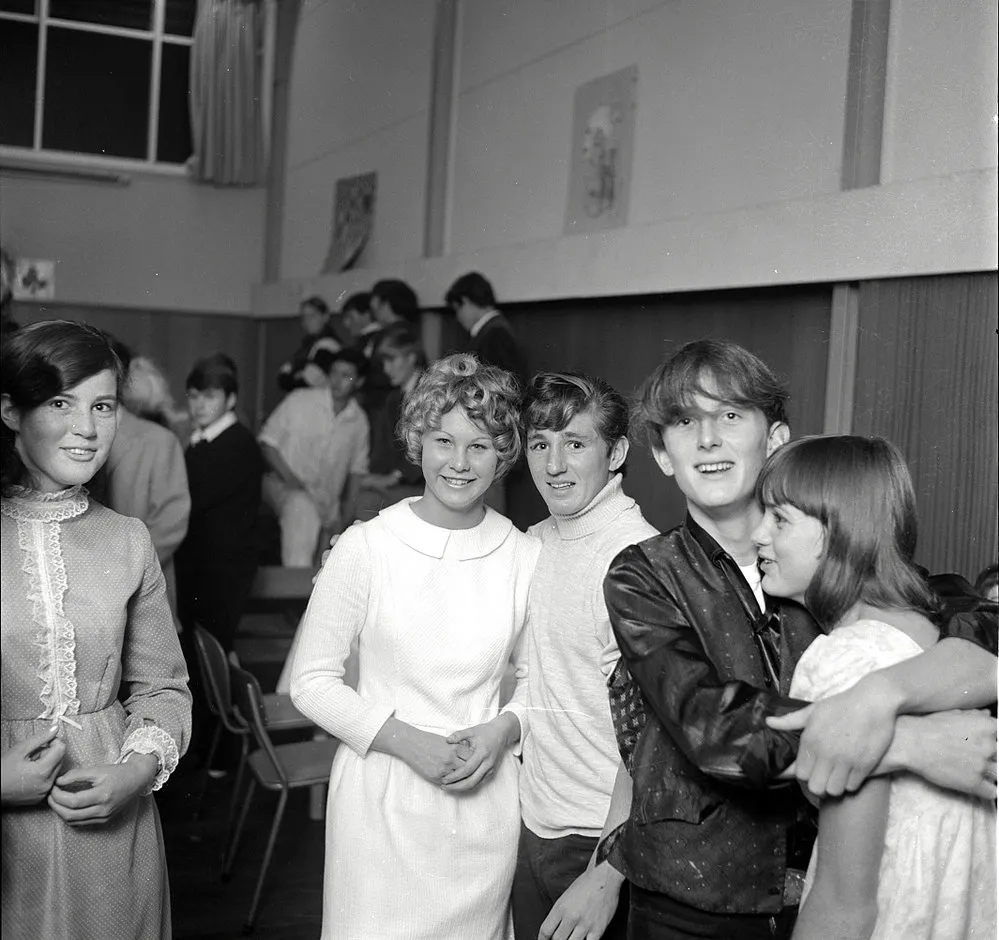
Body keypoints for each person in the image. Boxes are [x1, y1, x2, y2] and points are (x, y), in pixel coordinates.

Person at [600, 340, 997, 940]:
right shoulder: (641, 575)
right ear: (660, 454)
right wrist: (908, 742)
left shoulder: (828, 563)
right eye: (685, 422)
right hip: (694, 904)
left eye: (730, 415)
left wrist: (882, 696)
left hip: (818, 891)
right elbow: (714, 727)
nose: (707, 439)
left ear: (777, 436)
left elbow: (973, 618)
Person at [289, 353, 540, 940]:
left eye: (480, 445)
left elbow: (540, 684)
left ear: (504, 454)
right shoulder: (366, 547)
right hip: (380, 798)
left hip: (480, 806)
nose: (459, 462)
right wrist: (410, 744)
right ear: (416, 442)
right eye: (443, 440)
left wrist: (502, 729)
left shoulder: (523, 555)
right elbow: (311, 682)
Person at [752, 435, 995, 939]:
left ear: (842, 532)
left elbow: (846, 903)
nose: (757, 534)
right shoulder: (931, 635)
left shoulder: (844, 660)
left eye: (779, 519)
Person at [0, 320, 192, 939]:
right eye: (61, 402)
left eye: (102, 406)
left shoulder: (128, 540)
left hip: (114, 833)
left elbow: (163, 688)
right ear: (10, 410)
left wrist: (133, 775)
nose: (86, 428)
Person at [512, 372, 657, 940]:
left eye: (575, 444)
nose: (554, 465)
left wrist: (607, 870)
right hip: (533, 821)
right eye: (540, 445)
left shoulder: (633, 560)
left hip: (598, 840)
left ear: (616, 453)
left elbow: (650, 737)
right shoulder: (538, 539)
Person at [90, 341, 191, 623]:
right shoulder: (66, 438)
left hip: (144, 595)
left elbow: (171, 523)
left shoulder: (160, 441)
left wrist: (119, 571)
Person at [176, 352, 264, 653]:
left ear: (230, 400)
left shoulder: (237, 443)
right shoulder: (203, 438)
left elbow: (193, 498)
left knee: (210, 650)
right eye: (193, 396)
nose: (199, 404)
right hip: (204, 563)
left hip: (223, 569)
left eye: (210, 396)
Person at [259, 347, 370, 566]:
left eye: (346, 375)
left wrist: (345, 517)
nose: (338, 380)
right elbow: (267, 443)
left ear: (358, 381)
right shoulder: (300, 400)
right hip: (284, 485)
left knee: (331, 552)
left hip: (326, 498)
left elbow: (357, 471)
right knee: (302, 509)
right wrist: (295, 482)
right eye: (334, 373)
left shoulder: (359, 421)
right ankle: (295, 591)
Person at [353, 324, 426, 520]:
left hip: (426, 485)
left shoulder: (431, 392)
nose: (386, 369)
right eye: (384, 362)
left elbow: (428, 445)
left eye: (392, 360)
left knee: (367, 502)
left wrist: (394, 477)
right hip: (404, 482)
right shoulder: (394, 398)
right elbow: (385, 448)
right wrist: (373, 476)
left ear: (411, 357)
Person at [446, 271, 527, 385]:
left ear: (465, 301)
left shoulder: (496, 334)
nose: (458, 317)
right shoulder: (495, 330)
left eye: (457, 310)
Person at [276, 295, 345, 393]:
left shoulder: (329, 345)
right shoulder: (307, 345)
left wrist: (294, 373)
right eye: (303, 317)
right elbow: (282, 380)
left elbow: (307, 382)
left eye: (312, 316)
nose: (306, 322)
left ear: (325, 317)